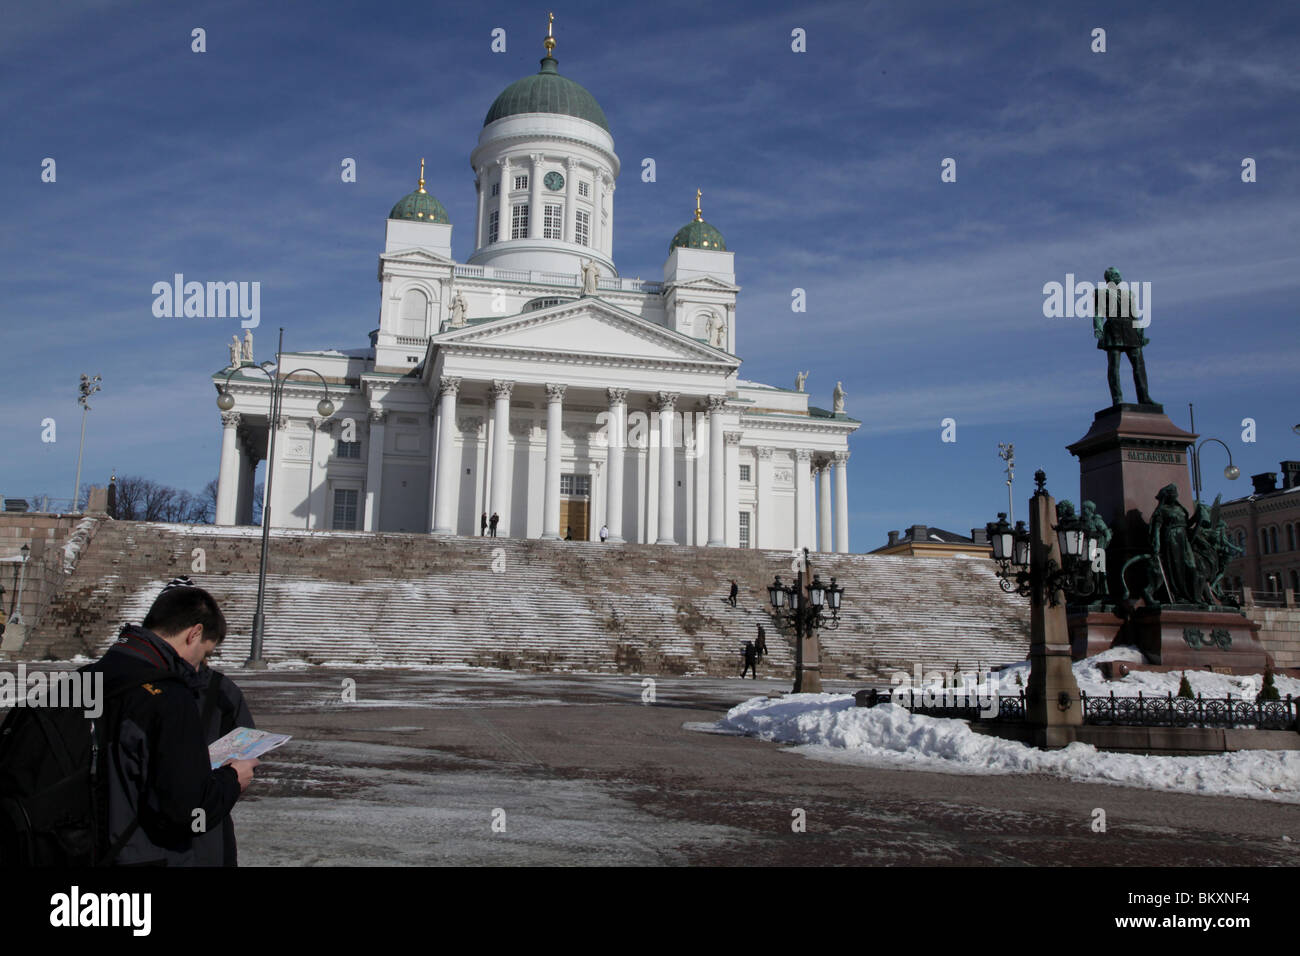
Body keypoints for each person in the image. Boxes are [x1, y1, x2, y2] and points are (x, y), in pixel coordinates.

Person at [82, 581, 257, 865]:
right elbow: (184, 812)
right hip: (155, 854)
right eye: (205, 652)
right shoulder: (169, 696)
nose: (199, 664)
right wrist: (232, 780)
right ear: (194, 633)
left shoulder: (87, 678)